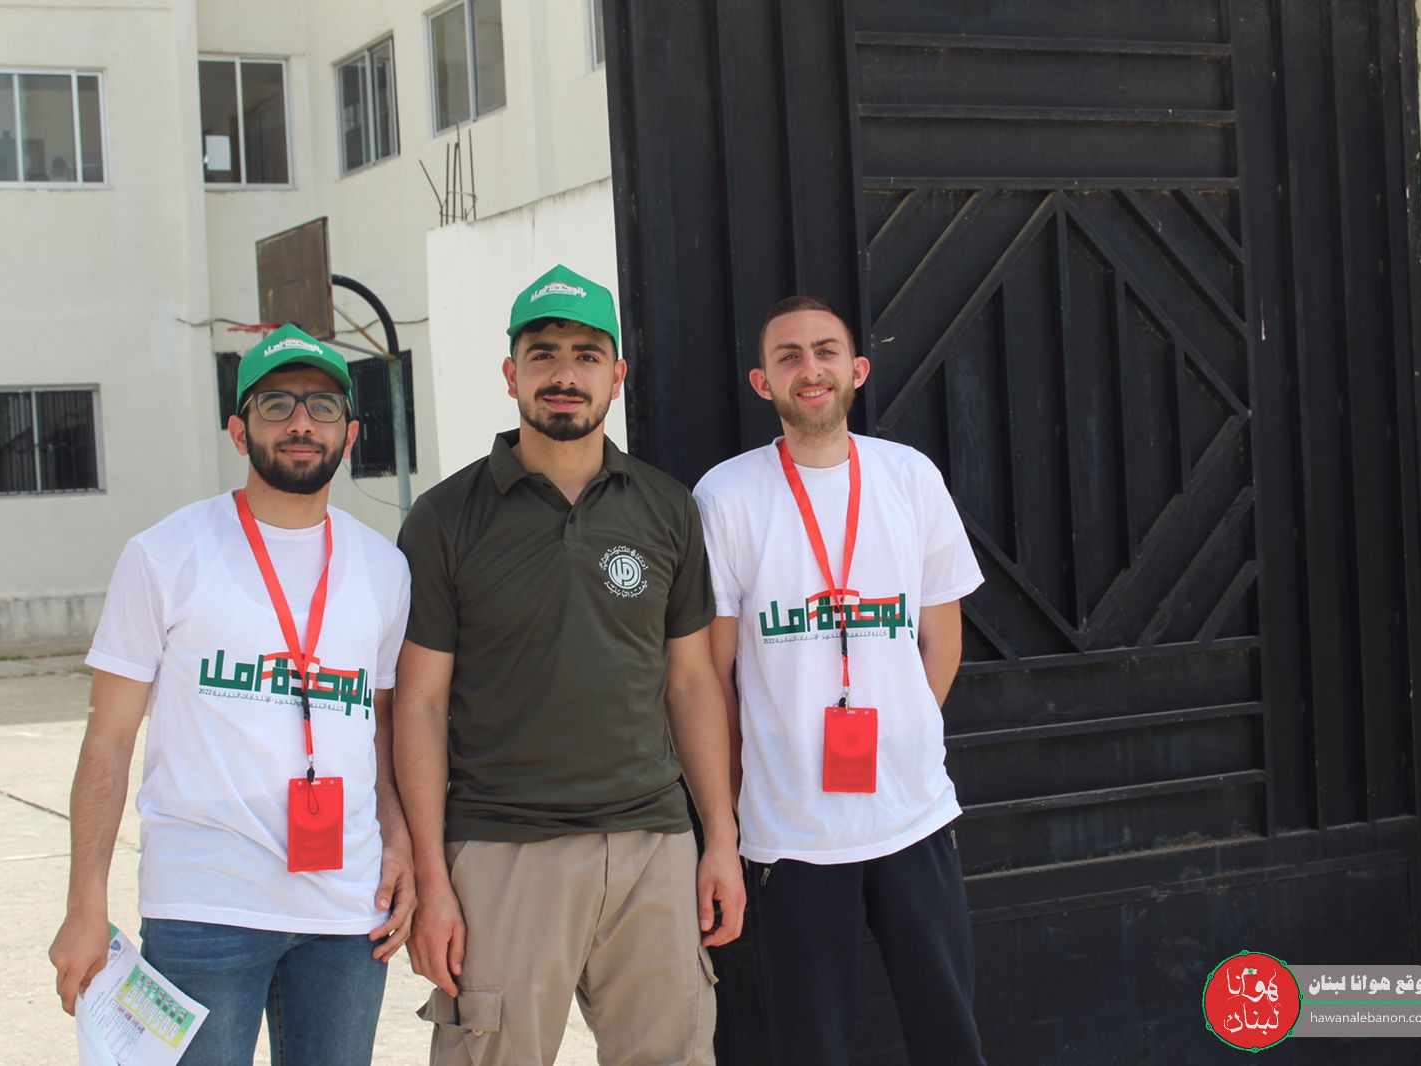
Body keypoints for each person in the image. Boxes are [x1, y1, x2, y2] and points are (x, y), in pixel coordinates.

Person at [395, 264, 744, 1066]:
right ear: (510, 373)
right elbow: (418, 705)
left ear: (617, 376)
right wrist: (432, 878)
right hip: (503, 848)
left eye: (587, 356)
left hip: (652, 845)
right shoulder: (445, 519)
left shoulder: (666, 507)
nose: (564, 374)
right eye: (543, 354)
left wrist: (719, 840)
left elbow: (692, 682)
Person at [48, 324, 414, 1065]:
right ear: (239, 431)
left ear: (350, 435)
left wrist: (399, 840)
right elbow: (108, 740)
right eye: (276, 404)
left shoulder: (385, 567)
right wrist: (85, 904)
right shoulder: (164, 555)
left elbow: (378, 728)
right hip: (204, 907)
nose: (301, 422)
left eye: (323, 406)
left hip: (347, 913)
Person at [693, 295, 987, 1065]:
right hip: (792, 833)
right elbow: (709, 675)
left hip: (913, 815)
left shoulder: (909, 477)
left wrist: (904, 733)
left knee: (950, 1038)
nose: (810, 368)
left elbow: (943, 638)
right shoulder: (726, 496)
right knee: (810, 1049)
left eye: (825, 351)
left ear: (856, 370)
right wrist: (728, 818)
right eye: (788, 356)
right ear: (763, 382)